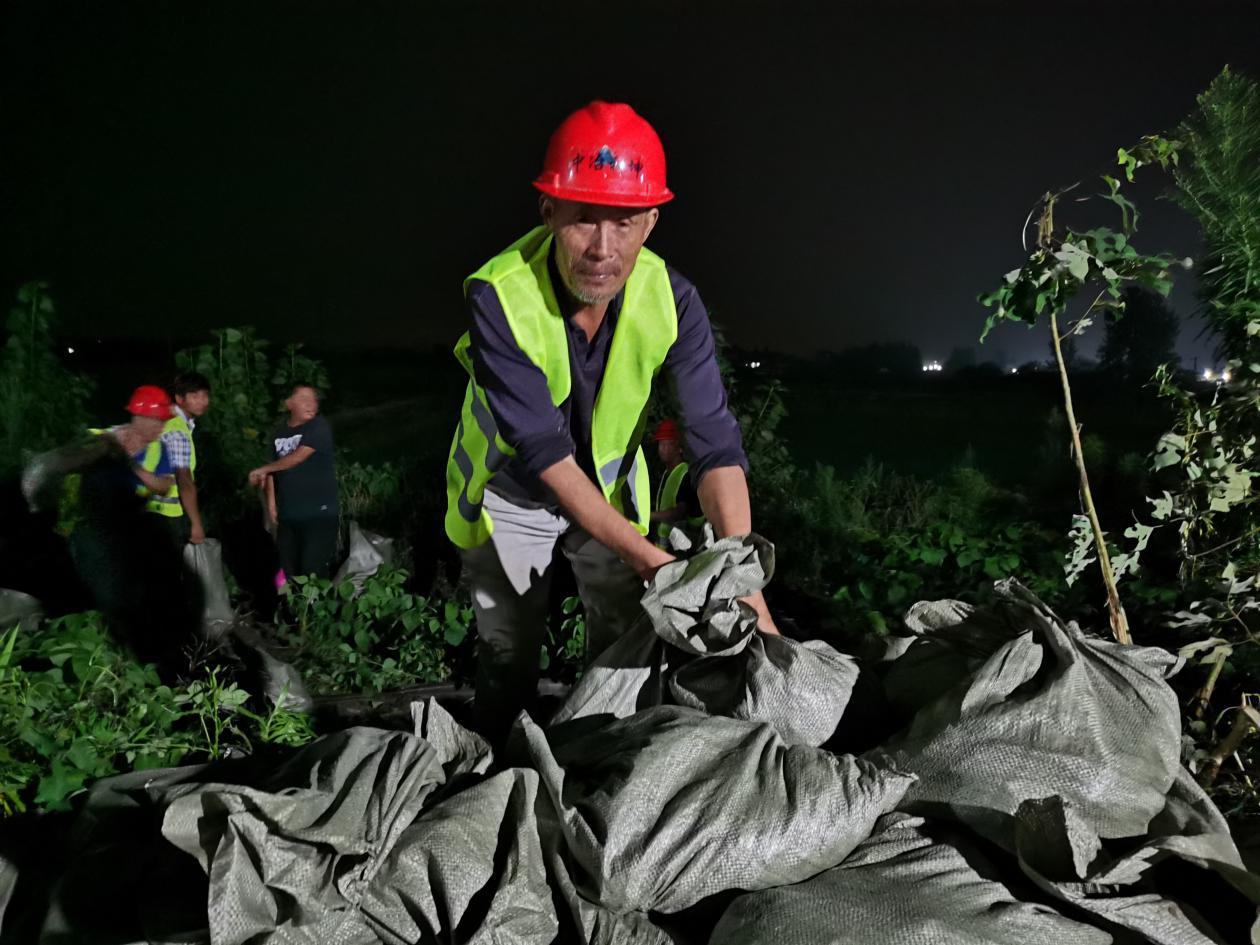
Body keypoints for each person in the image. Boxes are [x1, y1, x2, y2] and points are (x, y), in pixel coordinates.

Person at [445, 100, 778, 740]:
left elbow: (713, 441)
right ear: (549, 213)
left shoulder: (674, 299)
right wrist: (658, 565)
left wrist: (744, 576)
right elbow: (544, 453)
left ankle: (600, 765)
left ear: (651, 222)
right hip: (512, 492)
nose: (603, 249)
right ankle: (495, 765)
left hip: (607, 494)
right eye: (583, 221)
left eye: (624, 223)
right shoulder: (498, 293)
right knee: (510, 649)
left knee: (622, 642)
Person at [248, 384, 339, 580]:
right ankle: (291, 610)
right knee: (287, 572)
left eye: (314, 399)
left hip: (319, 513)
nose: (311, 404)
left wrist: (263, 470)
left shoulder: (319, 426)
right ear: (289, 403)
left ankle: (317, 609)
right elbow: (273, 469)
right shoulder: (278, 433)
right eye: (304, 399)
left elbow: (297, 457)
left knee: (311, 570)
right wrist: (271, 506)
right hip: (288, 514)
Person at [144, 371, 211, 547]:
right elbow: (184, 479)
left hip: (148, 508)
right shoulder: (177, 430)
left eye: (205, 395)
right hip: (165, 515)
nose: (202, 401)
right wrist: (196, 523)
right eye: (194, 396)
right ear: (180, 399)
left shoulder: (166, 420)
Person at [650, 418, 703, 546]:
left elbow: (679, 513)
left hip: (681, 548)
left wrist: (648, 516)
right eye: (661, 443)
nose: (663, 448)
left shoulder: (686, 474)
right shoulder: (668, 472)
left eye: (669, 444)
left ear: (680, 448)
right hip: (665, 545)